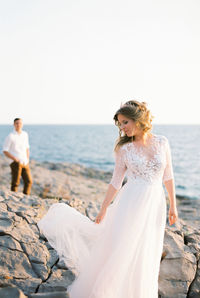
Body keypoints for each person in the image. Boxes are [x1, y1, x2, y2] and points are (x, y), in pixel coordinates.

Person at [37, 100, 178, 298]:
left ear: (138, 120)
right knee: (123, 248)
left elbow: (168, 175)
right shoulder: (124, 149)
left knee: (147, 250)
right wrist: (104, 208)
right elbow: (115, 182)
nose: (122, 128)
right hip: (130, 202)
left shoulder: (162, 142)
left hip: (155, 203)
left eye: (125, 122)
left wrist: (173, 205)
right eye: (119, 124)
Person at [3, 118, 32, 195]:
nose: (18, 125)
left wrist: (27, 159)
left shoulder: (25, 134)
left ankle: (26, 198)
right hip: (15, 162)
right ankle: (12, 198)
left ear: (22, 124)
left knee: (28, 181)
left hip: (25, 161)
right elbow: (5, 151)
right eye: (16, 123)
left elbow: (27, 148)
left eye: (20, 123)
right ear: (14, 124)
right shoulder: (10, 136)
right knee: (15, 183)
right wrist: (15, 159)